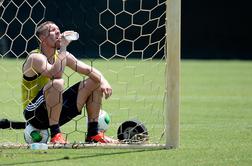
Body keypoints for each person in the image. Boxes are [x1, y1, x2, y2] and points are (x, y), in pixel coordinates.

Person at [22, 21, 116, 144]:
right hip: (34, 113)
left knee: (95, 81)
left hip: (55, 110)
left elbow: (88, 70)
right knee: (57, 83)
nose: (58, 32)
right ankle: (56, 135)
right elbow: (56, 74)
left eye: (58, 30)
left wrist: (104, 81)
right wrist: (64, 47)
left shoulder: (61, 55)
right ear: (42, 39)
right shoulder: (35, 57)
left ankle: (93, 134)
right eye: (52, 30)